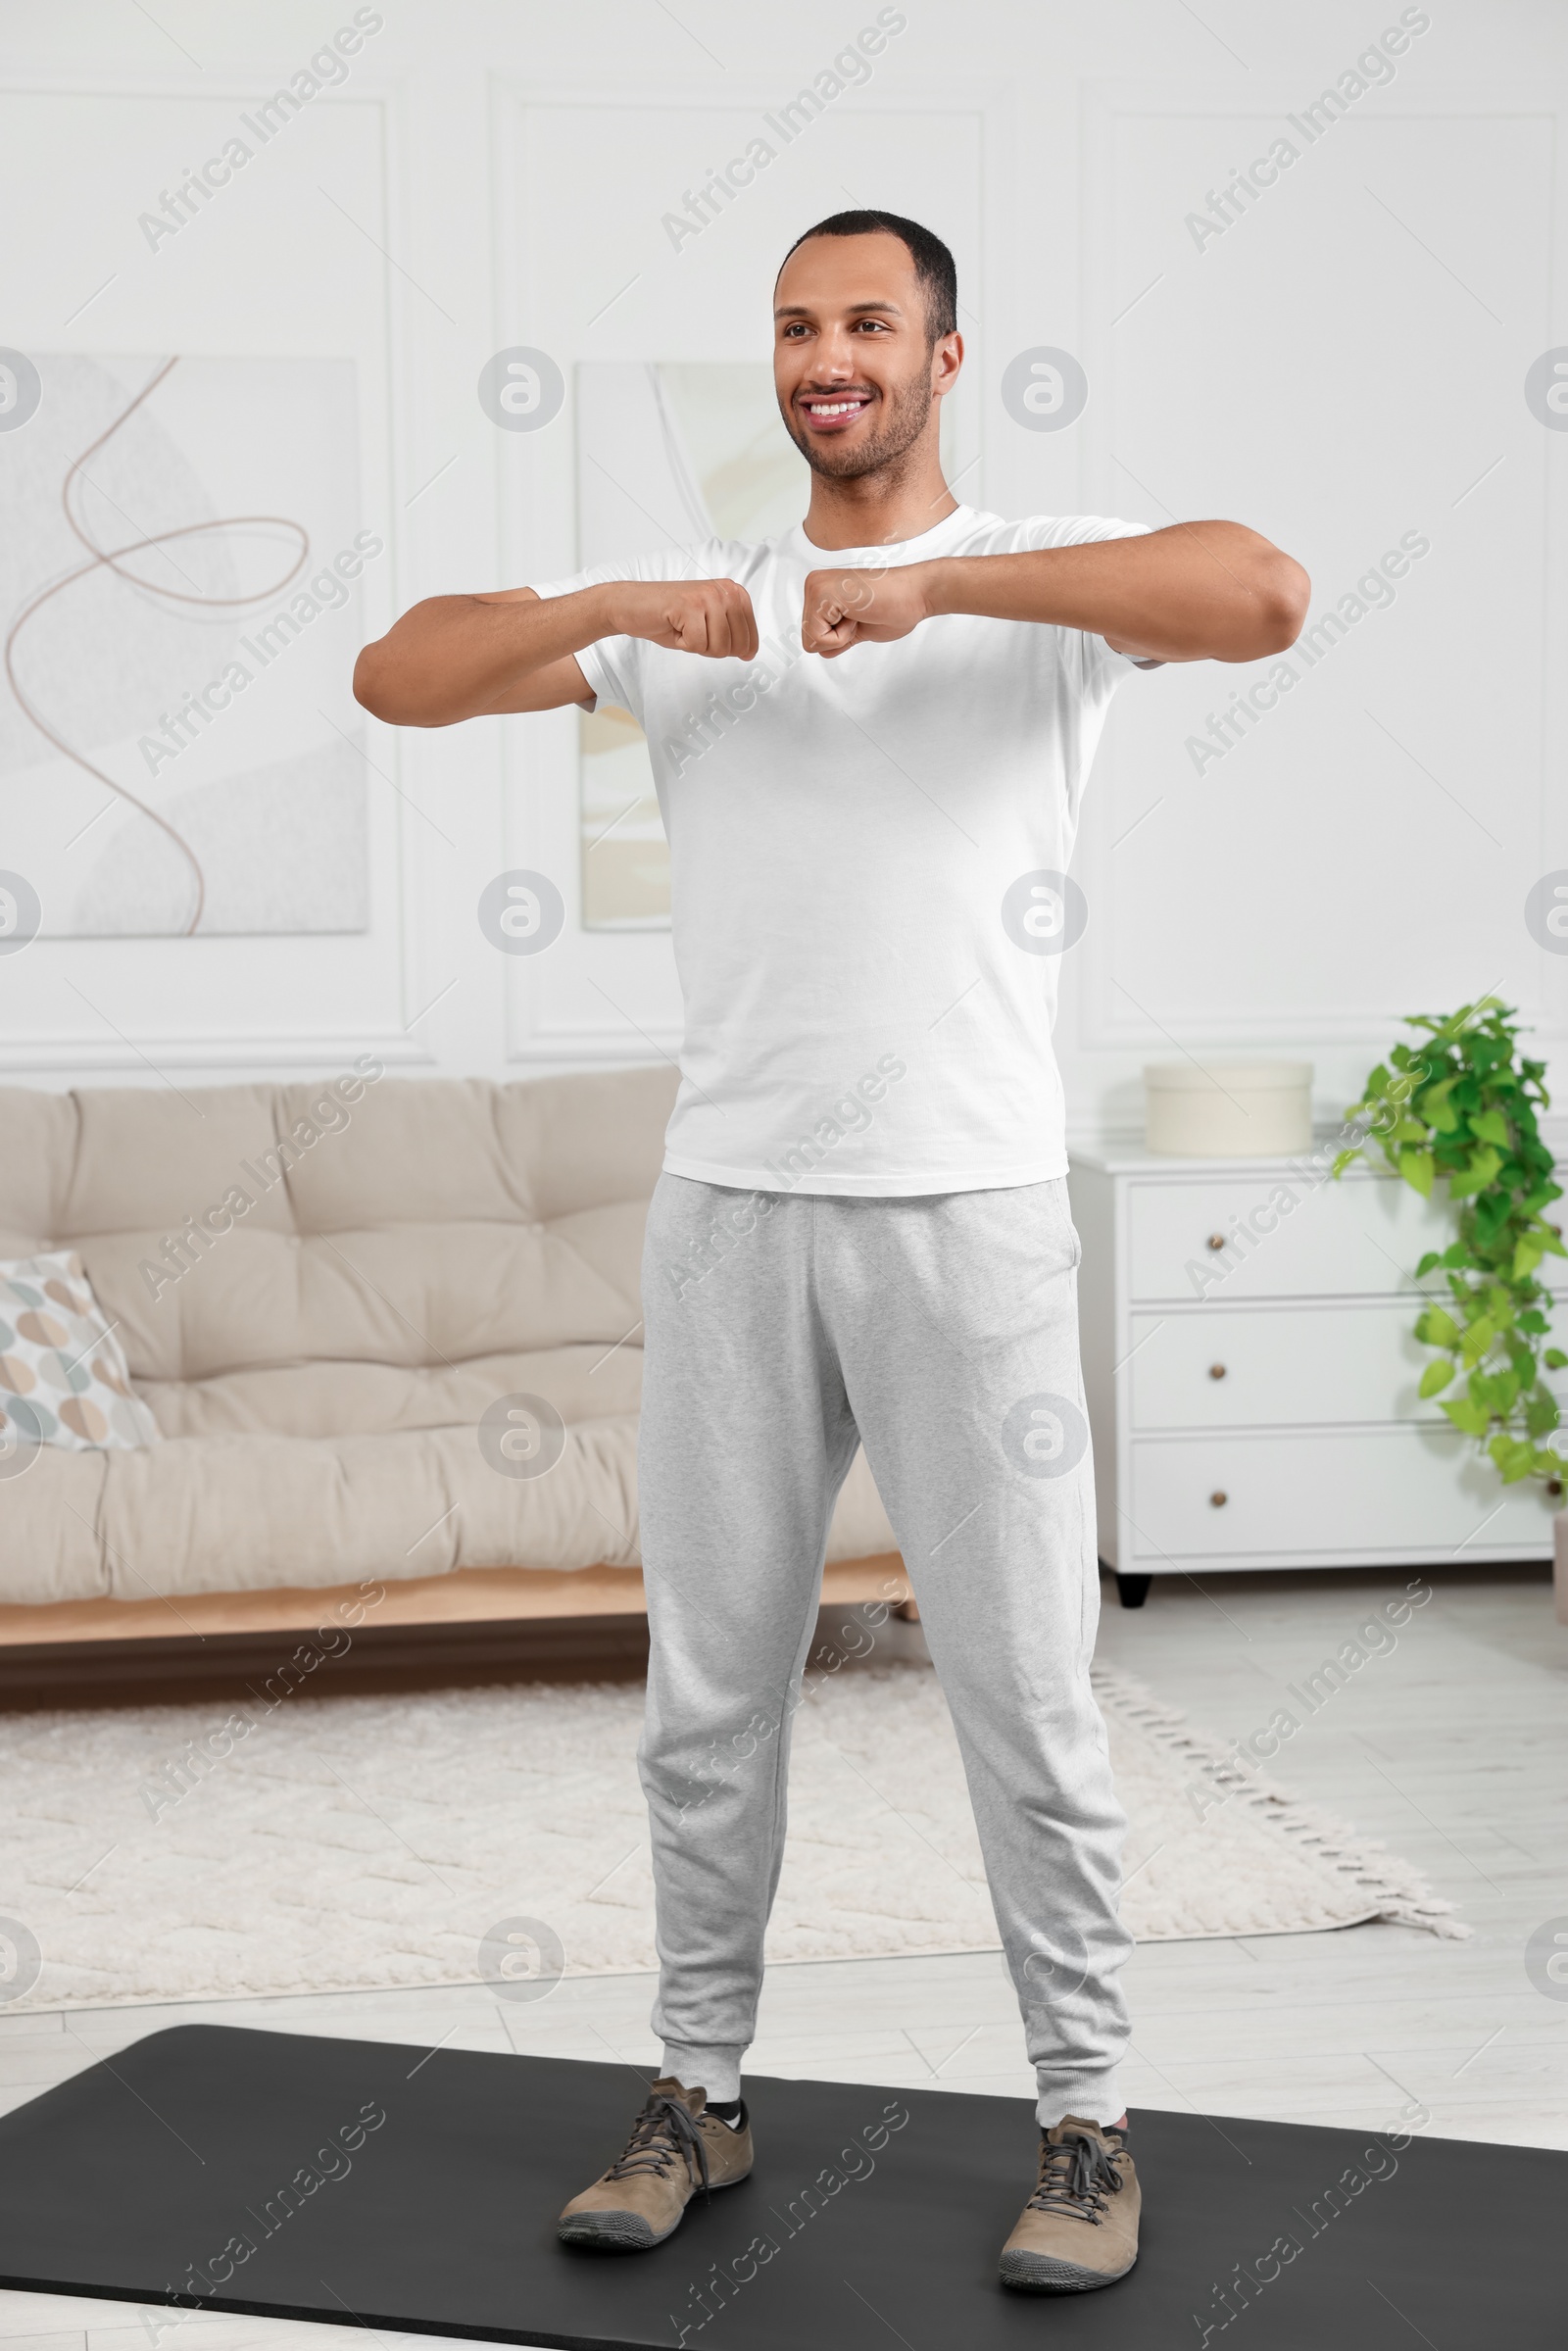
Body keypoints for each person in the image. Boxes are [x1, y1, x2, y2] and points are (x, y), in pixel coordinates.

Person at [355, 207, 1307, 2296]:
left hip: (964, 1215)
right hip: (730, 1213)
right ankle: (697, 2088)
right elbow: (397, 674)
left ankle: (1083, 2121)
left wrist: (935, 583)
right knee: (708, 1694)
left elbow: (1260, 592)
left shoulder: (1034, 591)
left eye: (866, 322)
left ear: (942, 360)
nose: (825, 357)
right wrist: (623, 607)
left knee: (1023, 1690)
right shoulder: (693, 617)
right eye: (795, 327)